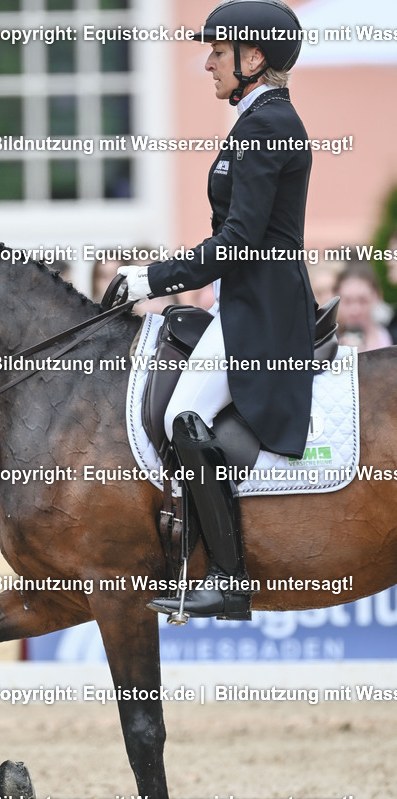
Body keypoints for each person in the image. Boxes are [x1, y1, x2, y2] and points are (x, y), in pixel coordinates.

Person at [113, 0, 316, 620]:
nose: (207, 64)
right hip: (246, 302)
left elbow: (238, 240)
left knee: (183, 413)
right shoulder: (257, 119)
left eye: (218, 53)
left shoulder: (267, 125)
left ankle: (228, 577)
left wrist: (153, 276)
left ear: (253, 58)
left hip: (263, 313)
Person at [335, 264, 393, 352]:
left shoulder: (392, 336)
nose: (355, 310)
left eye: (363, 301)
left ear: (377, 296)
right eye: (347, 301)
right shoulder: (325, 344)